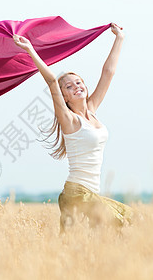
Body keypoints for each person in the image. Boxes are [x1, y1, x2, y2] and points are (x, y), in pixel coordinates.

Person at [13, 23, 134, 234]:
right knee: (117, 226)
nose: (77, 86)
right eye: (69, 86)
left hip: (92, 195)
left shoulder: (93, 109)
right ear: (65, 97)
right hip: (77, 193)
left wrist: (119, 39)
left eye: (79, 83)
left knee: (126, 221)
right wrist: (30, 50)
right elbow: (52, 81)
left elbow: (108, 73)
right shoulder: (69, 120)